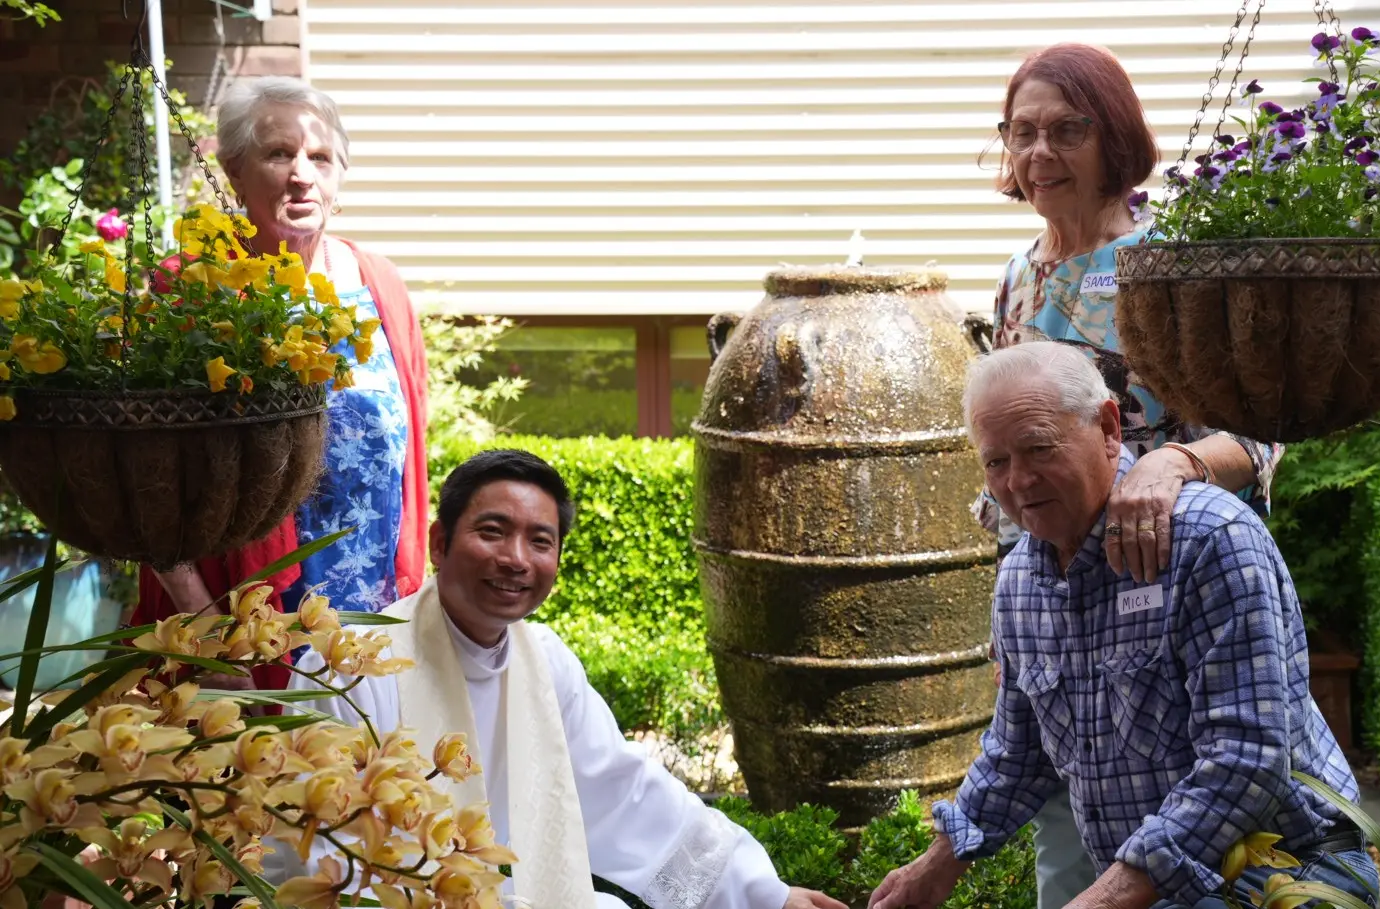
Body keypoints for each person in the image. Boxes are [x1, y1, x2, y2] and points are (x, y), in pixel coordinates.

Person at [871, 343, 1374, 909]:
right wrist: (938, 863)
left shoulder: (1207, 538)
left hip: (1283, 871)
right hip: (1153, 884)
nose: (1018, 481)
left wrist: (1103, 898)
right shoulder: (1019, 580)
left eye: (1039, 448)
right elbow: (1019, 755)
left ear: (1109, 427)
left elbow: (1246, 758)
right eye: (996, 462)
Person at [972, 44, 1285, 908]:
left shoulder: (1170, 262)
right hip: (1061, 610)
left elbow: (1265, 430)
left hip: (1174, 598)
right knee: (1067, 849)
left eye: (1066, 130)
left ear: (1113, 137)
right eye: (1022, 132)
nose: (1040, 154)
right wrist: (1016, 622)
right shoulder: (1016, 275)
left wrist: (1174, 462)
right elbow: (1013, 457)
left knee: (1203, 836)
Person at [263, 449, 847, 909]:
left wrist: (764, 896)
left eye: (540, 541)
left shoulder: (544, 660)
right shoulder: (351, 663)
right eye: (492, 531)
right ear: (439, 544)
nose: (516, 558)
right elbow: (315, 851)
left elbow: (623, 791)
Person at [135, 77, 430, 687]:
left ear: (340, 174)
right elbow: (144, 477)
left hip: (375, 626)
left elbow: (410, 463)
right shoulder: (194, 286)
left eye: (319, 157)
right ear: (234, 170)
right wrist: (207, 629)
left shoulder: (381, 284)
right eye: (279, 154)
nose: (302, 174)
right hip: (243, 629)